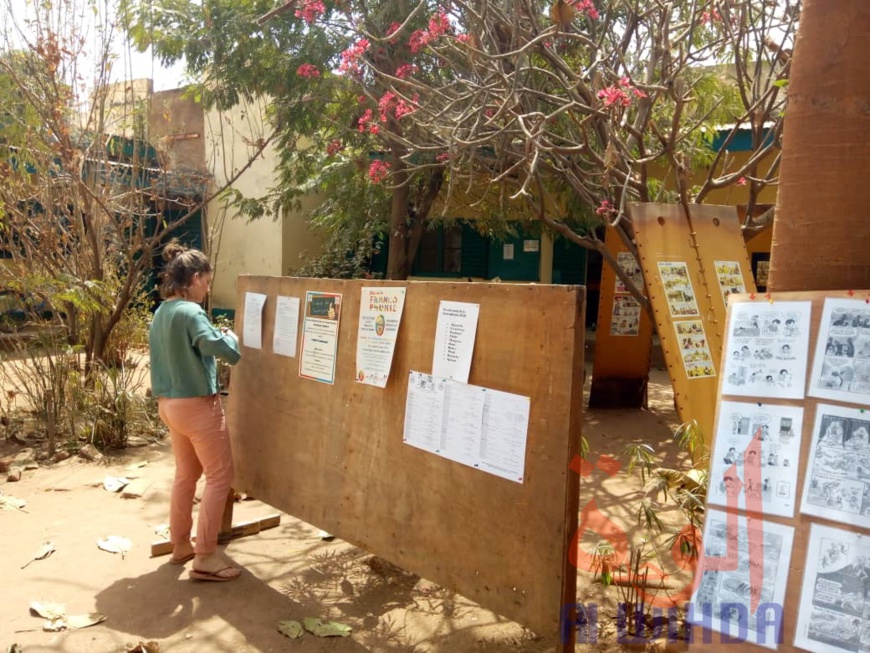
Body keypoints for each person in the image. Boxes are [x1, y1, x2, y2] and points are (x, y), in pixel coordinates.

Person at [149, 241, 243, 582]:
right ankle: (205, 556)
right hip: (197, 406)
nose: (207, 288)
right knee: (220, 477)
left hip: (169, 405)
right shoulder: (191, 312)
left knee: (186, 474)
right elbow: (222, 350)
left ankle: (180, 545)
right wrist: (231, 338)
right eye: (206, 281)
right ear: (194, 278)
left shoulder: (163, 311)